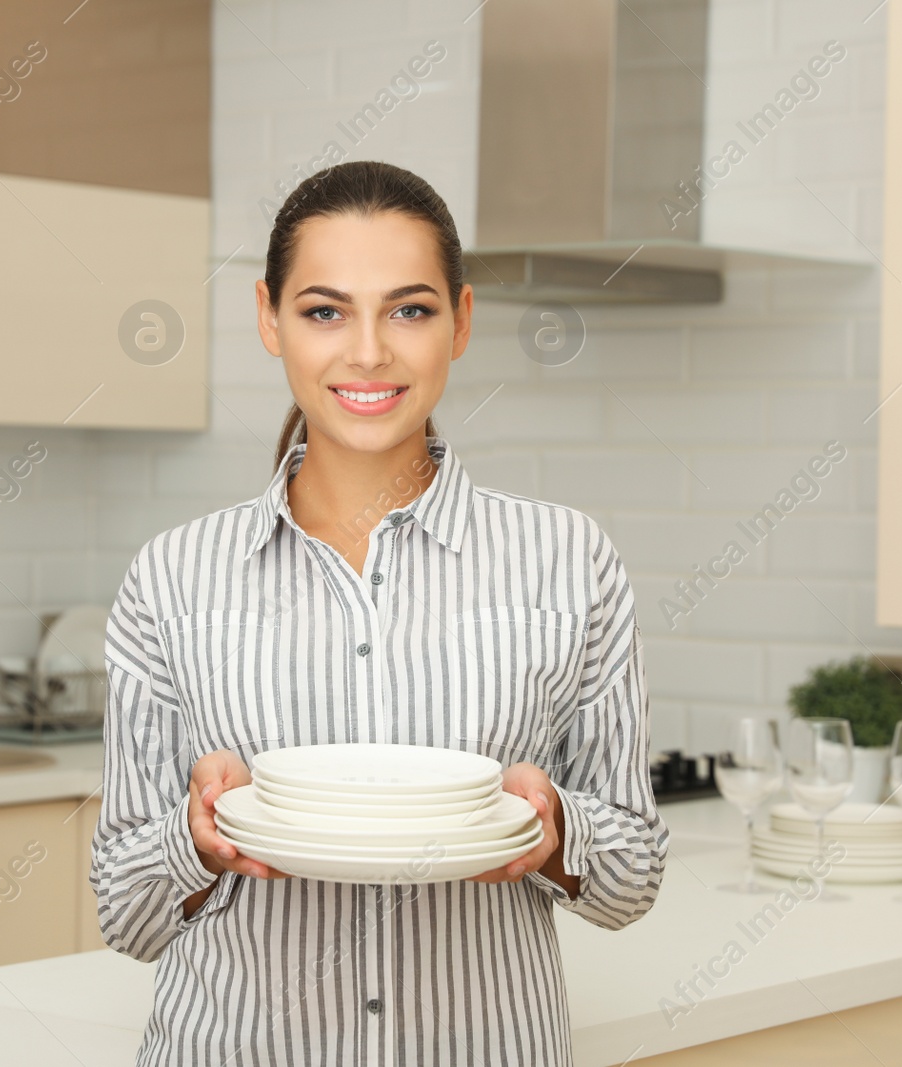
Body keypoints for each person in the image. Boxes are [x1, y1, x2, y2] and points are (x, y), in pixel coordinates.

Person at [89, 160, 668, 1066]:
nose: (367, 351)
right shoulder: (172, 577)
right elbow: (123, 910)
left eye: (409, 309)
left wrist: (556, 830)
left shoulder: (569, 559)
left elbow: (630, 878)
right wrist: (193, 842)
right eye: (325, 311)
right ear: (269, 319)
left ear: (462, 321)